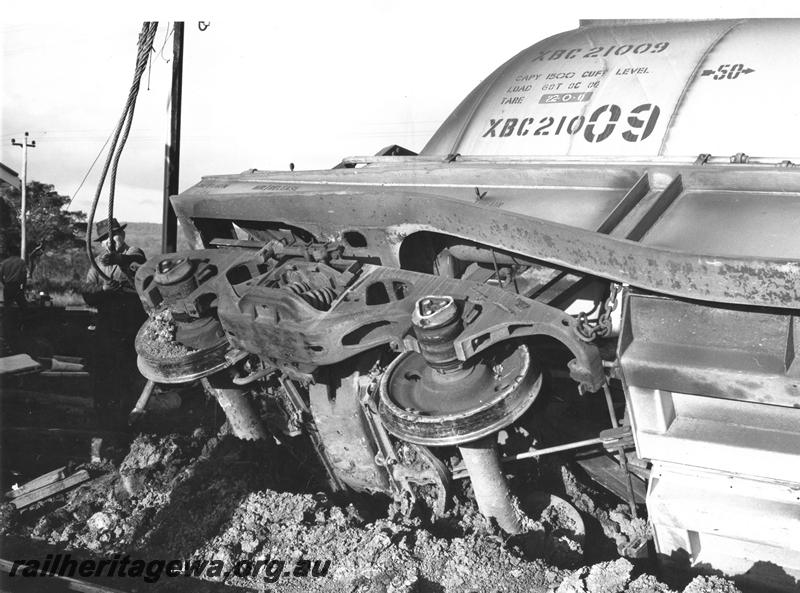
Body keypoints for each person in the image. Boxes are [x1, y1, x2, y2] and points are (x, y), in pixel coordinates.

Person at [82, 218, 147, 425]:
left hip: (131, 323)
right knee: (103, 371)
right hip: (107, 325)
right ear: (101, 243)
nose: (109, 241)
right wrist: (103, 290)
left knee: (127, 371)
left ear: (122, 235)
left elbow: (138, 263)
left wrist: (119, 259)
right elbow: (87, 292)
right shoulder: (97, 264)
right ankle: (102, 416)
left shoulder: (132, 253)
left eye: (114, 236)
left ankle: (128, 417)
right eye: (104, 239)